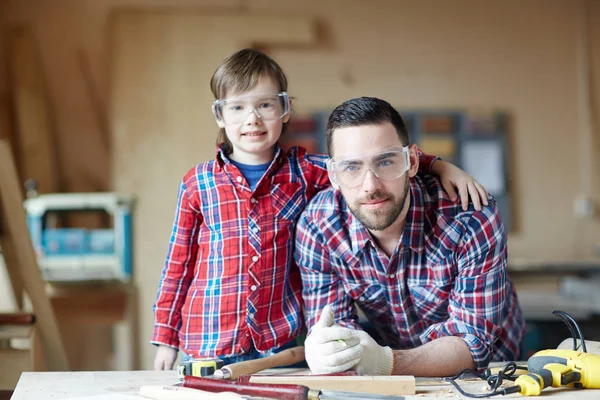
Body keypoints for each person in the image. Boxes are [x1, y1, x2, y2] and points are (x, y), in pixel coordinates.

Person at [151, 49, 489, 370]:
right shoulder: (198, 183)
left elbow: (372, 162)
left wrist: (439, 167)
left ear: (284, 109)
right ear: (219, 115)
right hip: (208, 338)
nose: (252, 119)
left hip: (282, 341)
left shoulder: (306, 171)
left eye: (265, 104)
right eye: (237, 108)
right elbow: (177, 265)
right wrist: (166, 338)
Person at [295, 97, 524, 377]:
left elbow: (472, 342)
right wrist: (331, 351)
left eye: (386, 162)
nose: (370, 186)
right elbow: (338, 332)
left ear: (412, 162)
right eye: (352, 167)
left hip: (495, 373)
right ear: (333, 175)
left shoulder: (470, 217)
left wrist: (382, 361)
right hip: (397, 375)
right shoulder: (319, 226)